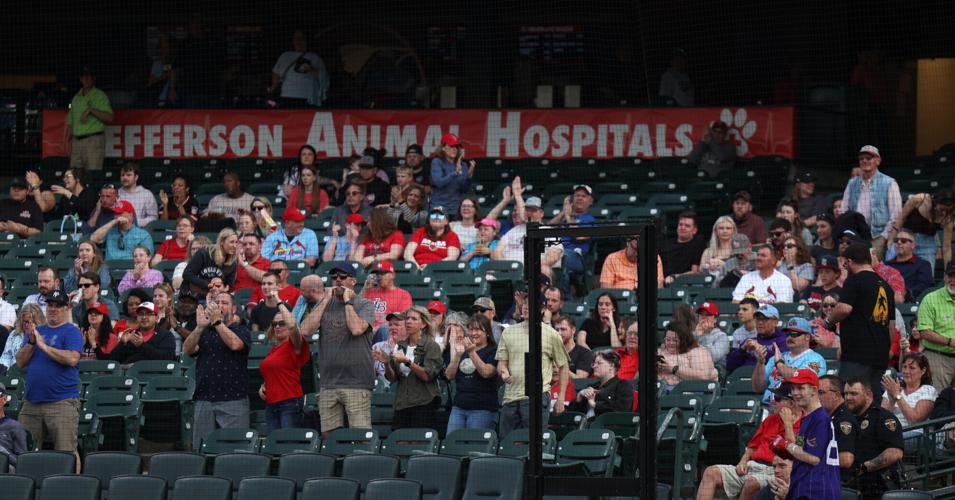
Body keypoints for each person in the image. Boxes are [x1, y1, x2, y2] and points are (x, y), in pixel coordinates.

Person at [299, 263, 376, 438]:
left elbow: (356, 329)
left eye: (343, 277)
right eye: (334, 277)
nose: (338, 281)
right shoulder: (325, 304)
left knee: (360, 434)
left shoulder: (364, 304)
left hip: (357, 381)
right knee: (328, 434)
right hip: (329, 381)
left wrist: (348, 302)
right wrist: (325, 299)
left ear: (353, 281)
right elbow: (305, 330)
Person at [696, 383, 804, 500]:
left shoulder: (806, 424)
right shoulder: (770, 420)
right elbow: (753, 446)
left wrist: (788, 424)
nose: (773, 402)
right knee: (710, 472)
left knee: (751, 483)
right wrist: (742, 462)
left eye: (777, 399)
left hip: (775, 471)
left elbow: (795, 453)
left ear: (791, 403)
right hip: (752, 466)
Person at [15, 289, 82, 471]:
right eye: (50, 305)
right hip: (31, 402)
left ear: (65, 307)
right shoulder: (37, 331)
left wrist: (44, 346)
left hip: (61, 401)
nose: (53, 309)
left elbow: (72, 358)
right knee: (23, 450)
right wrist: (31, 342)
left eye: (57, 305)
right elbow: (20, 361)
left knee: (67, 452)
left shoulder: (71, 331)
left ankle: (73, 489)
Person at [824, 242, 895, 404]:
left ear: (849, 261)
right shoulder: (886, 286)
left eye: (844, 263)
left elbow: (844, 308)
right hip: (880, 358)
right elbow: (891, 326)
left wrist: (828, 321)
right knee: (872, 403)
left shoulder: (854, 280)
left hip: (857, 356)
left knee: (851, 403)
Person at [183, 292, 252, 449]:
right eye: (217, 302)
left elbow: (235, 344)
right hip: (204, 399)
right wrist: (199, 327)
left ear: (234, 309)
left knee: (234, 450)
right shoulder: (205, 332)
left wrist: (217, 322)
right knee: (202, 450)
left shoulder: (241, 329)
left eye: (225, 303)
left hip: (233, 399)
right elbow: (188, 349)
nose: (220, 306)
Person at [496, 300, 569, 438]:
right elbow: (501, 363)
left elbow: (564, 366)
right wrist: (504, 372)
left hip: (536, 397)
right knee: (507, 447)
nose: (525, 306)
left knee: (534, 446)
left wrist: (561, 398)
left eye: (530, 303)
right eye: (524, 303)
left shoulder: (552, 334)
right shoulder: (508, 332)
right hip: (510, 398)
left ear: (542, 309)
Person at [774, 370, 841, 499]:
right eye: (793, 388)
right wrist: (788, 428)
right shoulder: (809, 418)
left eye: (800, 388)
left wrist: (787, 444)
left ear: (814, 390)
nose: (795, 393)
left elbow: (813, 458)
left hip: (816, 489)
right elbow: (799, 449)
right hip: (806, 486)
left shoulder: (820, 418)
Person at [377, 306, 442, 430]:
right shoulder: (400, 346)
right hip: (402, 403)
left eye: (414, 319)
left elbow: (427, 375)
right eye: (407, 318)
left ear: (423, 325)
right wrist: (386, 363)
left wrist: (408, 362)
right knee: (400, 441)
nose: (408, 321)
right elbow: (392, 378)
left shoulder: (431, 346)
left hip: (424, 403)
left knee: (418, 442)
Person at [843, 377, 905, 497]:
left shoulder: (883, 418)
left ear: (868, 394)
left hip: (878, 486)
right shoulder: (847, 418)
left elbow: (895, 453)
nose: (848, 398)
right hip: (852, 484)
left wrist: (866, 467)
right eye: (846, 393)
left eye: (853, 393)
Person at [838, 145, 902, 259]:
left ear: (878, 161)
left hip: (877, 237)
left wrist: (884, 237)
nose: (864, 161)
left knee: (875, 271)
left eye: (868, 158)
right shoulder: (851, 183)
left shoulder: (889, 183)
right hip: (855, 237)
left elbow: (896, 214)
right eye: (861, 158)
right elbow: (844, 211)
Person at [258, 297, 309, 433]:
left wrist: (279, 302)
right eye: (275, 324)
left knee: (287, 444)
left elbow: (293, 326)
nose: (278, 327)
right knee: (274, 446)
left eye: (282, 323)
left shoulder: (295, 344)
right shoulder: (274, 349)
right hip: (271, 404)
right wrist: (263, 386)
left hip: (289, 403)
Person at [442, 314, 498, 434]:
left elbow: (486, 373)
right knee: (452, 443)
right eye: (471, 329)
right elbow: (449, 375)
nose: (473, 333)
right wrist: (457, 355)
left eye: (478, 329)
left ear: (487, 332)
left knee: (474, 446)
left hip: (482, 408)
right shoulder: (463, 349)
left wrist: (472, 352)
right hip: (459, 407)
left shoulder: (492, 350)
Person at [753, 317, 827, 405]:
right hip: (767, 406)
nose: (790, 337)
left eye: (794, 333)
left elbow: (801, 381)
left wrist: (779, 364)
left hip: (795, 408)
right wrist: (760, 363)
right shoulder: (777, 357)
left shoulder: (815, 359)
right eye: (787, 334)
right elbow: (758, 388)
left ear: (807, 337)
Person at [887, 190, 954, 274]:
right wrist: (892, 238)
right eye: (942, 209)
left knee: (927, 274)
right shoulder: (919, 199)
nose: (944, 212)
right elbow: (902, 217)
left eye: (948, 210)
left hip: (927, 244)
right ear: (936, 202)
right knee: (895, 270)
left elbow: (947, 247)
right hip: (906, 238)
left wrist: (947, 270)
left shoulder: (948, 219)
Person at [881, 352, 937, 449]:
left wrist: (898, 396)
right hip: (891, 432)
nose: (906, 371)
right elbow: (881, 418)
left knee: (891, 441)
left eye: (912, 368)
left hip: (916, 434)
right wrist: (891, 399)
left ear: (923, 371)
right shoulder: (893, 388)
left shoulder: (928, 390)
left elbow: (914, 419)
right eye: (904, 367)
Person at [914, 261, 955, 390]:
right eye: (951, 276)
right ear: (944, 277)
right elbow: (925, 331)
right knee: (936, 399)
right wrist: (950, 342)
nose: (953, 280)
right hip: (937, 355)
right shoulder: (930, 299)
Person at [63, 66, 113, 170]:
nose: (86, 79)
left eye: (89, 76)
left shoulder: (99, 95)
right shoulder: (76, 98)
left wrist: (91, 110)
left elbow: (109, 117)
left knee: (93, 174)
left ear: (93, 78)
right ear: (80, 79)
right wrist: (67, 143)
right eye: (84, 76)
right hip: (76, 142)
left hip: (93, 140)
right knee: (75, 175)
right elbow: (70, 123)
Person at [270, 29, 328, 107]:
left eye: (301, 38)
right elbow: (276, 73)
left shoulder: (314, 57)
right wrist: (275, 86)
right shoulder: (285, 56)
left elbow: (325, 78)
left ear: (306, 40)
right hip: (287, 96)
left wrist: (311, 70)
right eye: (296, 38)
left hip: (307, 98)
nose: (298, 41)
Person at [817, 375, 859, 481]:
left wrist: (814, 460)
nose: (817, 397)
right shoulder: (826, 417)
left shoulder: (844, 421)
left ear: (836, 395)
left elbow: (846, 459)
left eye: (821, 393)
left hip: (840, 481)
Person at [726, 304, 789, 375]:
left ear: (775, 322)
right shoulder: (750, 341)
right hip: (744, 378)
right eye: (758, 319)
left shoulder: (784, 341)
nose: (760, 322)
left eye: (765, 319)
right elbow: (729, 366)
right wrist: (742, 350)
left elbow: (782, 364)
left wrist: (759, 348)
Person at [107, 302, 176, 364]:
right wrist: (122, 344)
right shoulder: (130, 335)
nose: (144, 317)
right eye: (141, 314)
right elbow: (113, 361)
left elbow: (168, 359)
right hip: (129, 375)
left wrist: (142, 345)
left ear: (157, 318)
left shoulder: (165, 335)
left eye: (148, 314)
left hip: (155, 375)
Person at [657, 322, 718, 391]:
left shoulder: (698, 352)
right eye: (668, 340)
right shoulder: (660, 351)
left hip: (688, 392)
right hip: (660, 389)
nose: (671, 343)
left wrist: (673, 369)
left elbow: (703, 377)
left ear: (684, 340)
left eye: (675, 340)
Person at [571, 350, 633, 417]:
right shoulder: (592, 386)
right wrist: (579, 397)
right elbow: (574, 415)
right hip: (586, 425)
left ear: (611, 366)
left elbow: (621, 410)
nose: (594, 366)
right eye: (594, 363)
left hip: (607, 426)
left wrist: (595, 404)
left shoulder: (623, 385)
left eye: (599, 363)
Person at [183, 228, 239, 297]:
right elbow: (187, 274)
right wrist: (209, 285)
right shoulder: (204, 253)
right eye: (232, 242)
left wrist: (224, 288)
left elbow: (229, 284)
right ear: (222, 241)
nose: (235, 245)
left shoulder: (233, 262)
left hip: (217, 297)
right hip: (195, 296)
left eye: (236, 242)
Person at [430, 133, 474, 215]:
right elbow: (439, 183)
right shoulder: (437, 162)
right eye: (451, 146)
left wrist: (469, 176)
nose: (454, 149)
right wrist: (455, 173)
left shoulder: (462, 164)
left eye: (456, 147)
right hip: (439, 207)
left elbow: (464, 189)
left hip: (455, 208)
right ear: (443, 148)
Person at [361, 261, 413, 330]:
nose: (379, 277)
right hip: (367, 331)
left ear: (393, 275)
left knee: (384, 329)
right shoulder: (369, 292)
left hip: (389, 332)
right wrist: (365, 288)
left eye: (382, 273)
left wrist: (375, 330)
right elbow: (357, 310)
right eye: (377, 274)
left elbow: (401, 321)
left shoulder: (403, 295)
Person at [599, 236, 664, 290]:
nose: (637, 254)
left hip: (645, 301)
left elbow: (659, 287)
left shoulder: (653, 257)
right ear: (628, 243)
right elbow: (605, 290)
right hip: (619, 302)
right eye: (635, 249)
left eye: (641, 250)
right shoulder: (612, 259)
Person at [885, 228, 934, 300]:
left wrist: (904, 293)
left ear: (913, 245)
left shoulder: (923, 265)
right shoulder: (887, 265)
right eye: (896, 240)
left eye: (903, 241)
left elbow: (923, 286)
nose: (899, 242)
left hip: (911, 303)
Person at [662, 211, 707, 283]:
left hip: (687, 283)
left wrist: (674, 277)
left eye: (687, 226)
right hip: (663, 282)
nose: (682, 227)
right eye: (680, 225)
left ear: (694, 230)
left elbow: (695, 271)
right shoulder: (666, 244)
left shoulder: (698, 244)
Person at [0, 305, 45, 376]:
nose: (29, 325)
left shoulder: (45, 336)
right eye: (26, 322)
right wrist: (4, 367)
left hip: (33, 373)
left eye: (33, 322)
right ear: (21, 321)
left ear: (39, 321)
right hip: (11, 373)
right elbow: (7, 355)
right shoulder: (14, 334)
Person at [117, 163, 159, 227]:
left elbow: (153, 218)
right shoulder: (115, 194)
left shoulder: (147, 194)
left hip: (140, 231)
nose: (125, 177)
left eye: (128, 175)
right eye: (122, 175)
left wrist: (134, 222)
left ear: (136, 177)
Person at [694, 302, 730, 372]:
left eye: (708, 315)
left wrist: (703, 336)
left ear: (715, 319)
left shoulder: (722, 336)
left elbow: (712, 358)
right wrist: (695, 337)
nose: (703, 317)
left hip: (715, 372)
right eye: (701, 314)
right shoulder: (693, 334)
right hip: (694, 369)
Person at [0, 382, 27, 469]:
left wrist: (3, 453)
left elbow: (22, 461)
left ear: (4, 399)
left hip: (5, 468)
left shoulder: (15, 426)